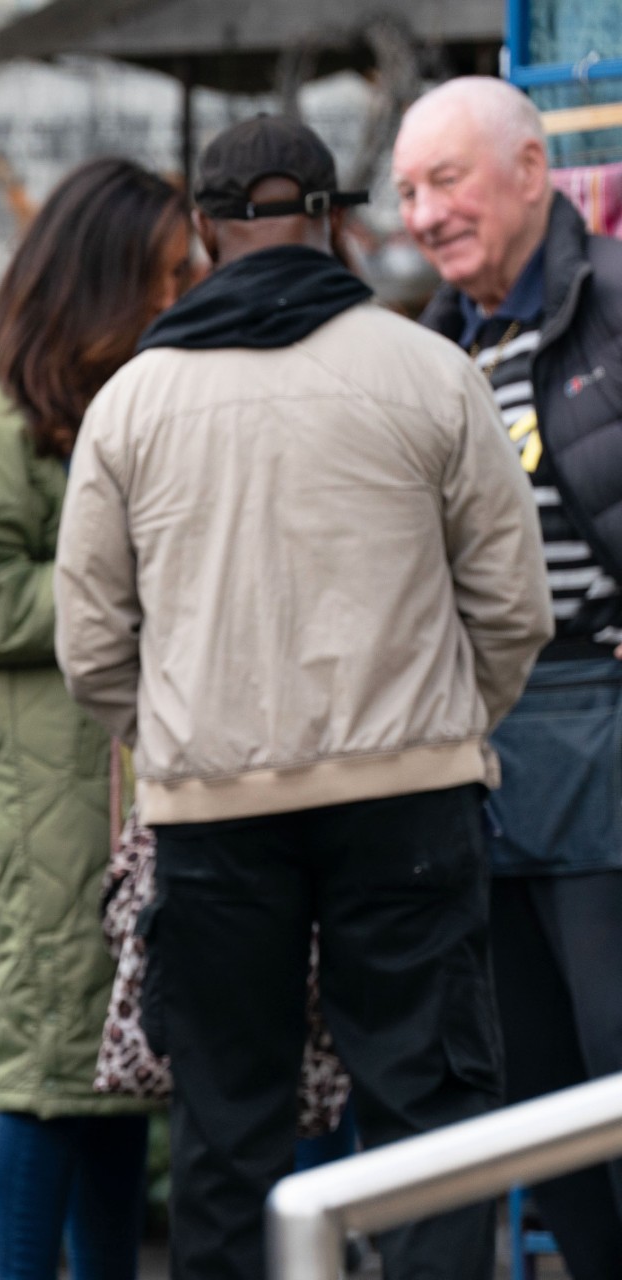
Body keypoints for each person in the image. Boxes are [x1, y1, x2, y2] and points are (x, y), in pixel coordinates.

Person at [55, 115, 553, 1279]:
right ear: (334, 220)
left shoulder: (134, 402)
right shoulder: (432, 370)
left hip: (212, 810)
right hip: (410, 796)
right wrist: (444, 725)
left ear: (203, 230)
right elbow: (513, 605)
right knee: (429, 1110)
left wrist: (177, 736)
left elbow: (90, 642)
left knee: (229, 1126)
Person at [0, 157, 189, 1280]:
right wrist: (129, 587)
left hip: (112, 766)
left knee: (113, 1058)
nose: (180, 294)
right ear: (104, 275)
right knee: (49, 1053)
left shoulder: (112, 399)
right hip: (45, 779)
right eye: (165, 274)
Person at [396, 76, 622, 1279]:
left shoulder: (614, 303)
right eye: (407, 193)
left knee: (613, 1047)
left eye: (449, 180)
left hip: (605, 727)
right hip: (481, 749)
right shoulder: (432, 349)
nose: (424, 215)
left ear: (533, 170)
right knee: (533, 1077)